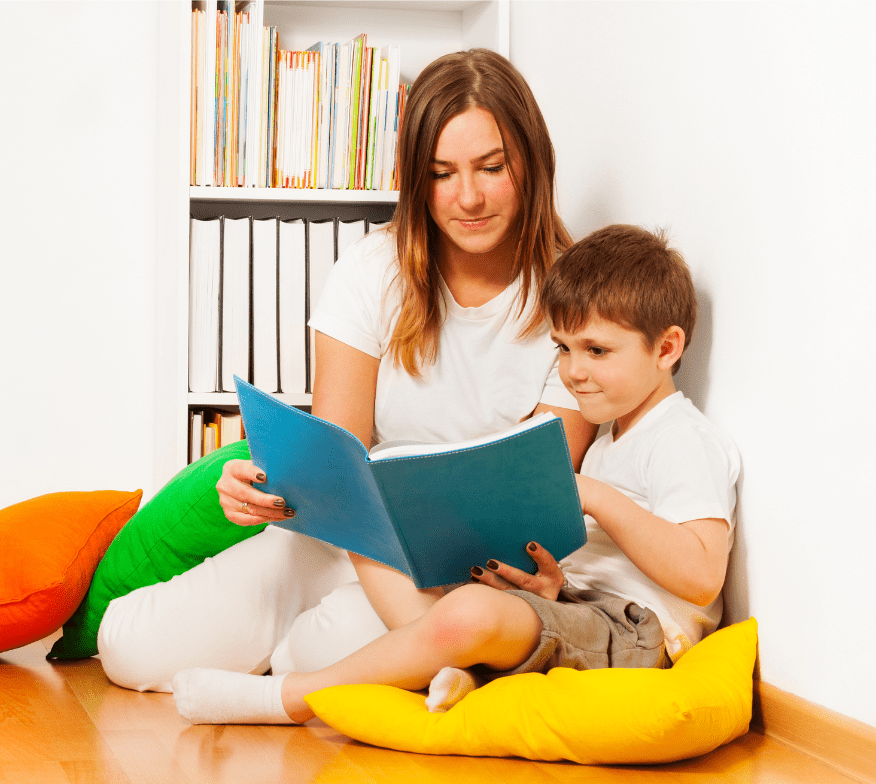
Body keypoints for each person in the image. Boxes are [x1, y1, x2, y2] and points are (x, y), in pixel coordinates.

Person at [96, 49, 597, 693]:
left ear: (531, 164)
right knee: (128, 647)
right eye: (442, 173)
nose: (467, 197)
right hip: (350, 545)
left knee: (319, 652)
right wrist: (263, 485)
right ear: (417, 180)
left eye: (491, 168)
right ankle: (334, 662)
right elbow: (339, 453)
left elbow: (538, 485)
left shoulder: (579, 297)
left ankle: (310, 669)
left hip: (468, 576)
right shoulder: (372, 270)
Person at [171, 223, 741, 725]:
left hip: (634, 633)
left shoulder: (681, 438)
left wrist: (591, 496)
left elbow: (700, 574)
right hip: (581, 610)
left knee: (468, 612)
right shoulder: (614, 432)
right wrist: (553, 587)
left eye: (596, 351)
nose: (572, 372)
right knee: (383, 545)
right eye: (563, 350)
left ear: (667, 348)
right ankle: (465, 673)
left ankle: (290, 700)